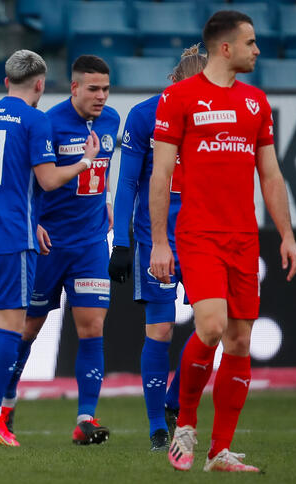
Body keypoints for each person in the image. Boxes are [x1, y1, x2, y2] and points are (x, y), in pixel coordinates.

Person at [152, 10, 296, 472]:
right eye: (251, 42)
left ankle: (220, 452)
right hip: (197, 234)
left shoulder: (257, 103)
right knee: (212, 326)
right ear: (225, 47)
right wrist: (159, 242)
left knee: (239, 340)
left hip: (243, 238)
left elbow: (271, 175)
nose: (258, 51)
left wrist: (287, 236)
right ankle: (186, 425)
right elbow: (160, 175)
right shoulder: (178, 99)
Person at [0, 50, 98, 446]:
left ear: (7, 81)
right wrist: (86, 161)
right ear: (40, 84)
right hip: (12, 234)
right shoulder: (36, 119)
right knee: (10, 325)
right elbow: (50, 179)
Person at [0, 55, 120, 445]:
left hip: (90, 242)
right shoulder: (48, 122)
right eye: (92, 89)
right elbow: (28, 179)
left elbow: (100, 169)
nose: (100, 96)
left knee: (93, 326)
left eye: (105, 88)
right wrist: (32, 223)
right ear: (74, 88)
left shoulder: (112, 121)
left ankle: (86, 418)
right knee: (28, 329)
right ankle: (5, 401)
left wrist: (103, 199)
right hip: (49, 243)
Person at [110, 46, 207, 451]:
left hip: (204, 233)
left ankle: (171, 399)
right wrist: (121, 242)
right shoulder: (144, 115)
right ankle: (156, 427)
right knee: (161, 328)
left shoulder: (216, 113)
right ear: (173, 83)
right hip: (157, 236)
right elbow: (129, 182)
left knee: (211, 328)